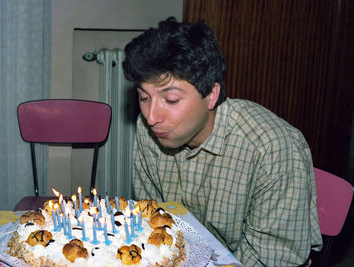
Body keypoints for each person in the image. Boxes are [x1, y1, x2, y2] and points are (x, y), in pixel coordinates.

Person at [122, 17, 322, 266]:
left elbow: (271, 260)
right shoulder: (149, 131)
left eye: (171, 100)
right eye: (144, 97)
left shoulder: (270, 148)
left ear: (211, 95)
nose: (152, 117)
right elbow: (154, 222)